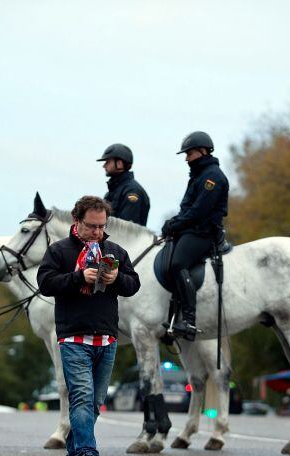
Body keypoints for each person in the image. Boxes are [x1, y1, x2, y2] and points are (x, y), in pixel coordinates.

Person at [37, 196, 141, 456]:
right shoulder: (59, 251)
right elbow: (45, 283)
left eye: (101, 226)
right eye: (91, 226)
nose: (97, 232)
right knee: (81, 397)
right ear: (77, 221)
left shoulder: (114, 250)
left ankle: (74, 451)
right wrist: (79, 277)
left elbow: (133, 285)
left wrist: (116, 279)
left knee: (94, 403)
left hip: (107, 338)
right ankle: (87, 454)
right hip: (73, 338)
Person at [161, 131, 229, 341]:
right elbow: (187, 208)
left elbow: (199, 211)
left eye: (189, 153)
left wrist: (176, 223)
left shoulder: (212, 177)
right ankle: (173, 316)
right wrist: (173, 223)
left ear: (203, 151)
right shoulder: (199, 175)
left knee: (177, 263)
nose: (186, 158)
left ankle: (189, 320)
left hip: (203, 232)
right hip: (192, 229)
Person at [97, 143, 150, 226]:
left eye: (108, 161)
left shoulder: (132, 191)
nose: (104, 165)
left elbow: (126, 228)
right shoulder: (113, 191)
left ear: (119, 163)